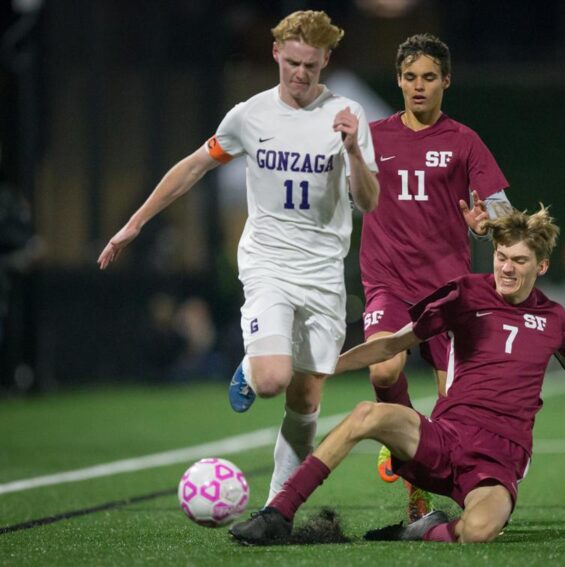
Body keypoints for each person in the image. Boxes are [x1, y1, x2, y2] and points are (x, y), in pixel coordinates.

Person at [228, 205, 565, 545]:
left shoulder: (555, 321)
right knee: (364, 415)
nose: (506, 268)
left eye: (519, 261)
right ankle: (279, 514)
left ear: (542, 265)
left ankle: (423, 531)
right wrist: (325, 365)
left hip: (499, 460)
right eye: (501, 257)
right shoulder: (465, 293)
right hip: (446, 435)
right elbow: (395, 344)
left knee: (480, 532)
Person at [98, 11, 379, 504]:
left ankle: (277, 508)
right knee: (273, 379)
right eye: (292, 62)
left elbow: (369, 201)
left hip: (322, 274)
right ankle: (251, 370)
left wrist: (354, 150)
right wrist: (135, 223)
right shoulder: (250, 115)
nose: (300, 74)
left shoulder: (348, 116)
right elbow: (193, 168)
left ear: (326, 60)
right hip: (268, 263)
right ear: (275, 53)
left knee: (306, 398)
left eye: (311, 66)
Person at [360, 33, 513, 520]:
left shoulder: (463, 140)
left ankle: (452, 490)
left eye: (429, 77)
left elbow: (502, 210)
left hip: (448, 293)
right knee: (383, 370)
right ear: (398, 81)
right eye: (410, 78)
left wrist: (488, 225)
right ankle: (405, 460)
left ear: (446, 81)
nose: (419, 86)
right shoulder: (372, 136)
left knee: (456, 405)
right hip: (388, 282)